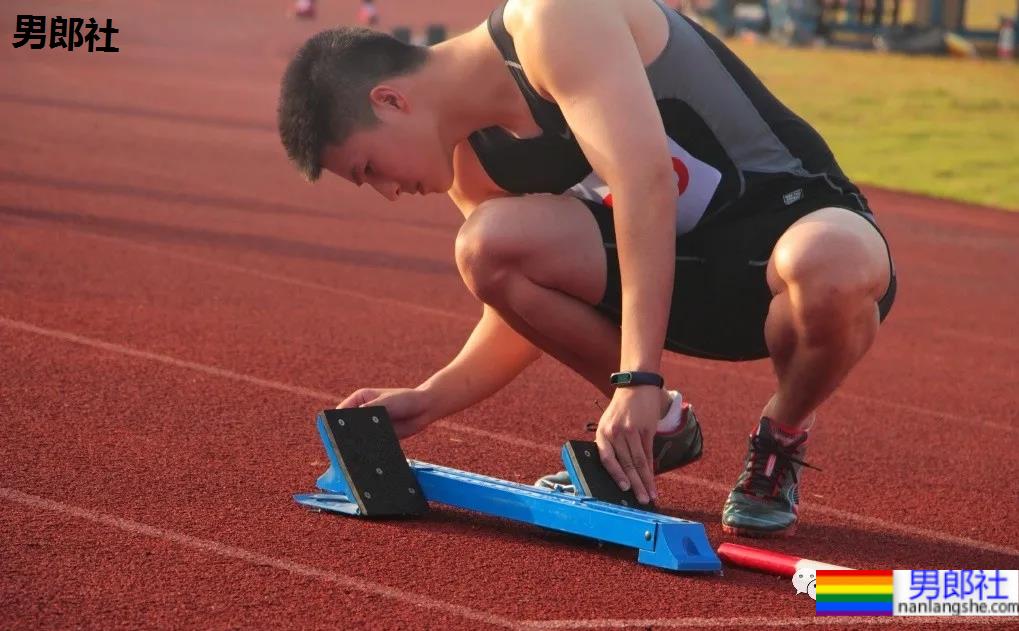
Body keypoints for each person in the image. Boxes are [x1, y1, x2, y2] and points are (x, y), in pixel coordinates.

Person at [277, 0, 896, 537]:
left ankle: (779, 437)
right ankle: (661, 428)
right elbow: (518, 302)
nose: (387, 191)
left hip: (794, 225)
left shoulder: (552, 21)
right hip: (679, 283)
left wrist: (635, 378)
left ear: (390, 100)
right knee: (486, 243)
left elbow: (644, 181)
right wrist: (432, 398)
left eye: (368, 169)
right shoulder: (469, 161)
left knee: (827, 264)